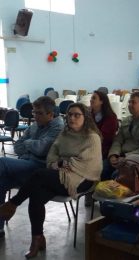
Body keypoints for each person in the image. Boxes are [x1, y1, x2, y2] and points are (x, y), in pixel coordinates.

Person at [0, 103, 102, 258]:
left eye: (77, 115)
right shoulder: (64, 134)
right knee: (37, 194)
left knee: (40, 175)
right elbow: (52, 156)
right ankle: (37, 239)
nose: (72, 118)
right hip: (60, 175)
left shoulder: (92, 137)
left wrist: (62, 163)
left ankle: (12, 204)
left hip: (83, 179)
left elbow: (88, 163)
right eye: (69, 115)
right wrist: (60, 163)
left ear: (85, 117)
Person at [0, 96, 64, 237]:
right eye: (34, 112)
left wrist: (28, 143)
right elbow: (17, 147)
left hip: (40, 169)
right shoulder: (35, 125)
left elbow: (41, 150)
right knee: (1, 181)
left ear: (50, 114)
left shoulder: (58, 127)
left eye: (39, 113)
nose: (35, 116)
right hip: (26, 164)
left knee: (2, 163)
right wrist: (32, 144)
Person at [107, 92, 139, 179]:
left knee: (116, 176)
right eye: (129, 102)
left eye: (133, 102)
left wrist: (126, 157)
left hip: (136, 159)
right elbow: (118, 140)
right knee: (102, 169)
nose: (130, 105)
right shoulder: (126, 120)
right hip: (120, 157)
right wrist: (113, 155)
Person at [90, 91, 118, 160]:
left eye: (94, 98)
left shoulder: (111, 117)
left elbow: (102, 138)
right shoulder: (90, 114)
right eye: (91, 98)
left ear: (101, 102)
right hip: (90, 147)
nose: (91, 100)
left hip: (103, 151)